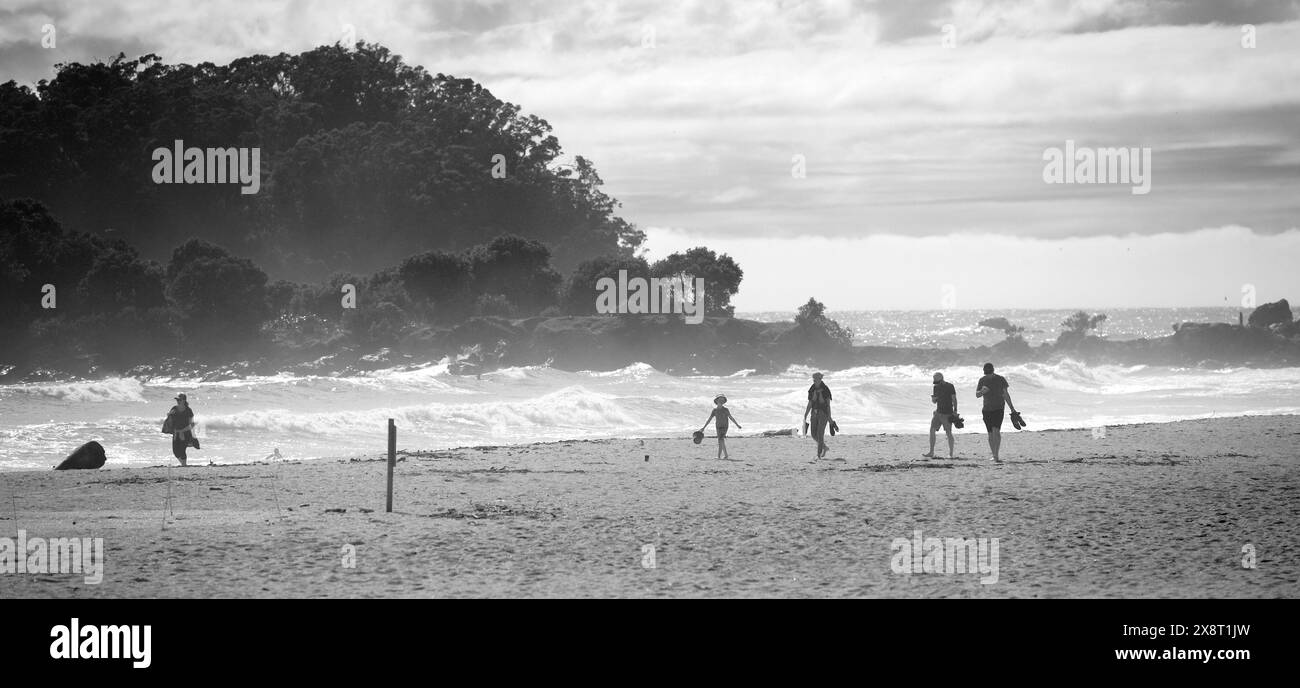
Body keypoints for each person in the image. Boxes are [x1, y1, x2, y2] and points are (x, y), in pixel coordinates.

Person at [975, 363, 1016, 462]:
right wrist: (982, 392)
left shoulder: (1000, 379)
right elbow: (977, 395)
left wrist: (1012, 408)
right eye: (986, 372)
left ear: (992, 370)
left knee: (996, 431)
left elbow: (1005, 394)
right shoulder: (982, 380)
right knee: (990, 434)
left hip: (998, 408)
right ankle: (994, 454)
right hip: (986, 410)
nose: (988, 374)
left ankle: (996, 455)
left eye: (989, 372)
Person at [923, 372, 957, 459]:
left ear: (941, 379)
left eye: (937, 382)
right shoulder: (936, 387)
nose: (936, 384)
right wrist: (933, 399)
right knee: (932, 430)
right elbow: (935, 402)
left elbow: (954, 399)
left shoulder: (950, 386)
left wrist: (955, 411)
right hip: (938, 412)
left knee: (948, 432)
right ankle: (931, 452)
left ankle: (950, 453)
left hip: (947, 413)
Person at [699, 394, 741, 460]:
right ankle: (726, 455)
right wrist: (704, 427)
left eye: (722, 400)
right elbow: (709, 419)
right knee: (721, 441)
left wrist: (737, 424)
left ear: (724, 401)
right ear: (716, 401)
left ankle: (718, 456)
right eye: (720, 399)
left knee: (721, 440)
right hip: (718, 427)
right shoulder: (714, 410)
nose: (721, 401)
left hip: (725, 427)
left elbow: (731, 417)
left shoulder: (726, 410)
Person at [804, 372, 834, 458]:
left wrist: (829, 417)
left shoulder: (825, 389)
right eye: (813, 380)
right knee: (813, 434)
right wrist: (805, 414)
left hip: (823, 413)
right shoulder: (812, 389)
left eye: (815, 380)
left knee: (820, 434)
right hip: (814, 412)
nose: (814, 381)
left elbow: (828, 405)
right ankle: (825, 447)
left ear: (820, 379)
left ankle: (818, 455)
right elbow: (810, 403)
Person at [164, 393, 199, 466]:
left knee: (182, 450)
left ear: (184, 400)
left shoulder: (188, 410)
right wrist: (169, 415)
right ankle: (183, 464)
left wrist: (182, 431)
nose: (178, 401)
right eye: (177, 400)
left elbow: (191, 424)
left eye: (179, 400)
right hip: (176, 432)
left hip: (185, 432)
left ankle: (184, 465)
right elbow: (169, 420)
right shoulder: (174, 408)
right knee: (176, 452)